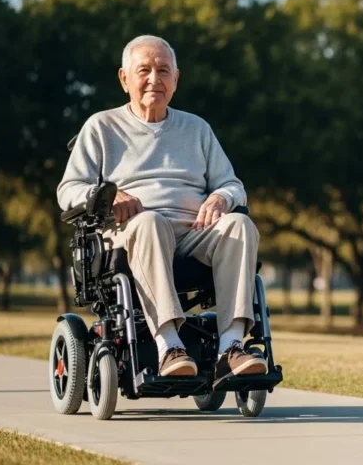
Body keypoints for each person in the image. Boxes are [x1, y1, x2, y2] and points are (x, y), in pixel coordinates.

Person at [57, 34, 267, 380]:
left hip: (193, 236)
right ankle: (169, 346)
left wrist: (220, 198)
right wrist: (109, 194)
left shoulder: (197, 128)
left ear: (176, 79)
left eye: (163, 70)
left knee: (240, 226)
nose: (154, 79)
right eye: (144, 71)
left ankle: (231, 346)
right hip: (132, 233)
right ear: (124, 79)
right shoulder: (101, 126)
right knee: (150, 221)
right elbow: (69, 190)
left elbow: (233, 184)